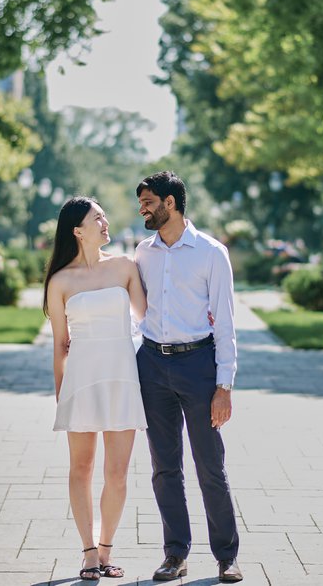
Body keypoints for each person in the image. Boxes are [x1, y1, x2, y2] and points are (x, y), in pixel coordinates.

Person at [134, 171, 243, 583]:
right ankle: (175, 554)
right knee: (164, 468)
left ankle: (227, 557)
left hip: (198, 365)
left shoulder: (212, 253)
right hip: (152, 365)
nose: (142, 209)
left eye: (148, 202)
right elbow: (136, 311)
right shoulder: (143, 253)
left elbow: (227, 325)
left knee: (209, 465)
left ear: (170, 203)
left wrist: (224, 385)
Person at [44, 196, 148, 581]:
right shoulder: (60, 281)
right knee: (81, 468)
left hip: (122, 377)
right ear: (77, 230)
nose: (106, 223)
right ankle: (88, 552)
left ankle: (106, 550)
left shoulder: (125, 267)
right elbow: (59, 344)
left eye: (105, 216)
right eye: (97, 218)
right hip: (81, 381)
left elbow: (149, 318)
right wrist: (61, 394)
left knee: (117, 473)